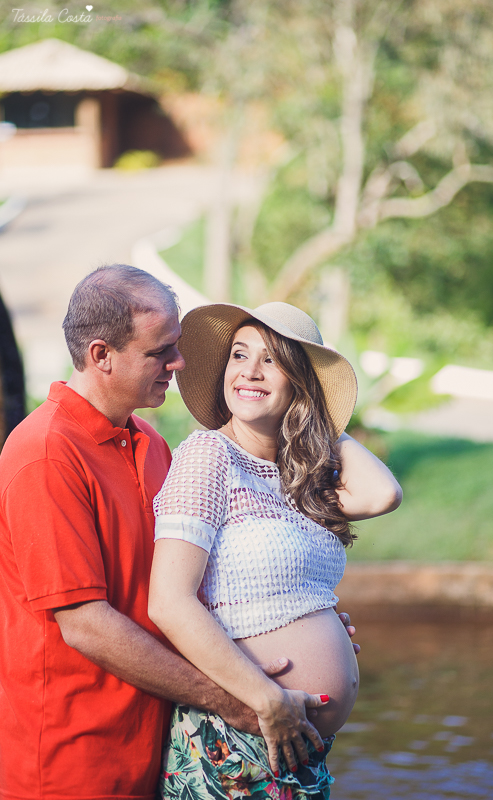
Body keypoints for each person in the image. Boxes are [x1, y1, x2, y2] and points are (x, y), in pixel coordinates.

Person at [0, 266, 313, 800]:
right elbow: (85, 625)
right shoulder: (44, 454)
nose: (179, 362)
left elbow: (188, 580)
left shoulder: (149, 442)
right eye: (160, 351)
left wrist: (295, 620)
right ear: (101, 355)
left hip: (155, 749)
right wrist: (232, 700)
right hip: (71, 765)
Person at [149, 301, 402, 800]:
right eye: (239, 355)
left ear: (299, 383)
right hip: (235, 740)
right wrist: (266, 698)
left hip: (298, 749)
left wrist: (320, 415)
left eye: (272, 359)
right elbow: (169, 602)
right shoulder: (209, 455)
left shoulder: (299, 478)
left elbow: (383, 494)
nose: (250, 371)